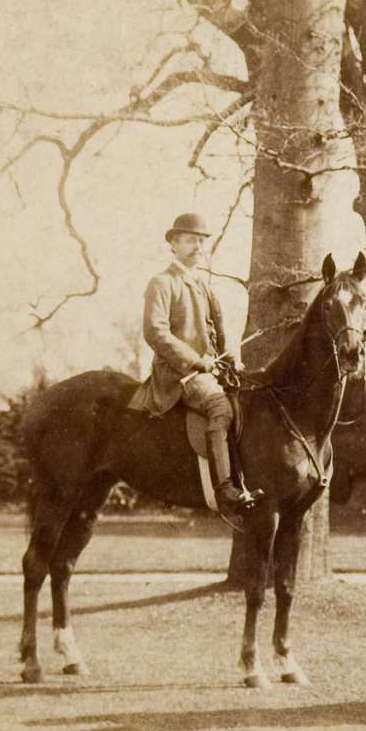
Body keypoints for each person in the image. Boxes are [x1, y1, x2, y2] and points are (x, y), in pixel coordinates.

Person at [127, 212, 257, 515]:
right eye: (190, 241)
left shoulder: (203, 285)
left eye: (201, 241)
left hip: (211, 371)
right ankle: (224, 488)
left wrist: (230, 360)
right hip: (178, 374)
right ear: (174, 243)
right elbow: (156, 332)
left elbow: (219, 333)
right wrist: (198, 362)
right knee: (220, 407)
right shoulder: (162, 283)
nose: (197, 247)